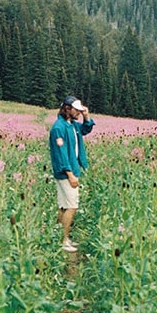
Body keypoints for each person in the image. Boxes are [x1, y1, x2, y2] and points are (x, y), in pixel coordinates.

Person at [49, 95, 95, 252]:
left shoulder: (72, 125)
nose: (79, 113)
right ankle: (63, 241)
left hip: (71, 170)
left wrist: (86, 116)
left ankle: (61, 238)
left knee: (63, 206)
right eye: (77, 110)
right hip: (66, 173)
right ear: (67, 109)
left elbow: (86, 129)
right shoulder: (58, 128)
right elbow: (61, 154)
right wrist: (70, 174)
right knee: (72, 206)